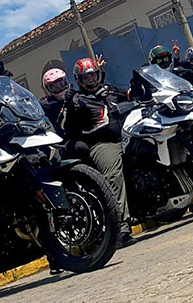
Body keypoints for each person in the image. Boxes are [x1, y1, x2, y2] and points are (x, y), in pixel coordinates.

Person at [42, 60, 130, 232]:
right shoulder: (54, 103)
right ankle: (121, 226)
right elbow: (66, 123)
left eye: (61, 83)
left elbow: (119, 95)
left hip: (122, 133)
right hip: (89, 142)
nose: (59, 88)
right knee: (112, 174)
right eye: (54, 86)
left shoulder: (95, 92)